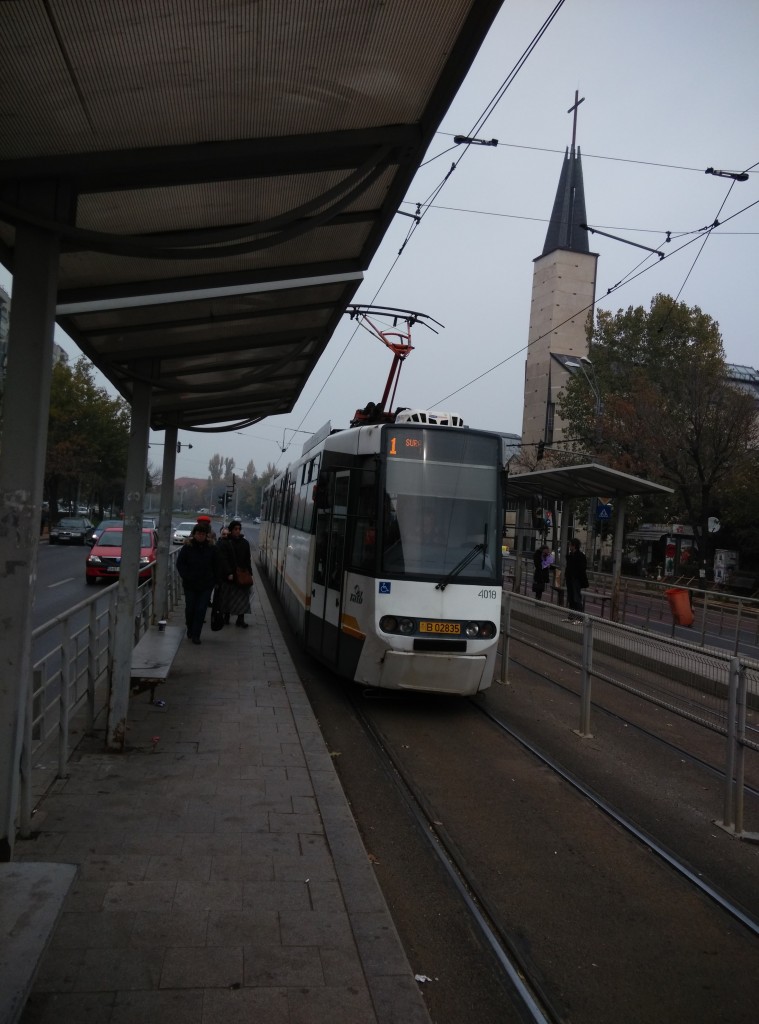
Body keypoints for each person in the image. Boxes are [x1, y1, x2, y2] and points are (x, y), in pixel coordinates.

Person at [176, 522, 219, 644]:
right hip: (190, 584)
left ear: (206, 535)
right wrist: (186, 576)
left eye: (203, 534)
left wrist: (215, 580)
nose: (200, 536)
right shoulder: (187, 547)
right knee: (190, 609)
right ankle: (190, 627)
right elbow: (180, 564)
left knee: (201, 609)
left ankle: (196, 634)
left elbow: (217, 565)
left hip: (206, 585)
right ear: (194, 534)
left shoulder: (212, 548)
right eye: (198, 534)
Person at [217, 518, 253, 627]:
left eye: (239, 529)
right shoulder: (225, 542)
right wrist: (228, 573)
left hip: (241, 574)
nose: (238, 531)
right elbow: (223, 559)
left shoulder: (245, 543)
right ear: (231, 530)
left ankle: (240, 619)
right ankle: (226, 616)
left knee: (242, 598)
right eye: (235, 529)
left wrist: (249, 573)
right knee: (227, 597)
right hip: (230, 575)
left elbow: (248, 559)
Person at [565, 537, 588, 620]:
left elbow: (582, 568)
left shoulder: (580, 556)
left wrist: (575, 575)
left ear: (574, 546)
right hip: (570, 579)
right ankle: (571, 615)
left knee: (576, 597)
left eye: (570, 545)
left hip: (576, 579)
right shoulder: (570, 555)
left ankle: (580, 616)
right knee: (571, 597)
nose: (569, 547)